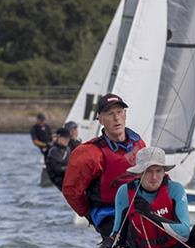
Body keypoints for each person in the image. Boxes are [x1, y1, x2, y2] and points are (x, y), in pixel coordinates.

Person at [102, 147, 195, 248]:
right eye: (149, 171)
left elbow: (184, 233)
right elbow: (117, 234)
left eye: (158, 171)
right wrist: (108, 242)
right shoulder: (125, 193)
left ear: (164, 172)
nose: (154, 177)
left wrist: (152, 215)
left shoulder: (175, 190)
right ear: (139, 173)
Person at [62, 94, 146, 236]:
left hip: (138, 209)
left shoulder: (138, 143)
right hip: (108, 214)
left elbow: (152, 172)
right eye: (109, 114)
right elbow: (71, 190)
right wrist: (88, 214)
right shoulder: (90, 153)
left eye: (119, 112)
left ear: (125, 114)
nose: (116, 118)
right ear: (100, 119)